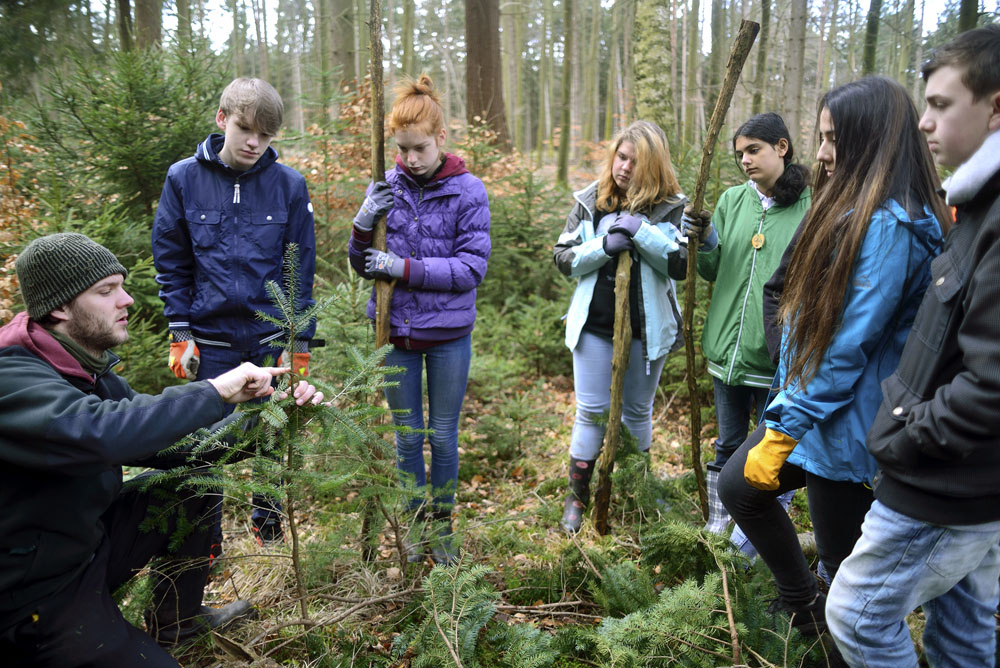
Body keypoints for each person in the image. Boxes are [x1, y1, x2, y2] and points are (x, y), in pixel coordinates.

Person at [0, 233, 324, 667]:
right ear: (59, 307)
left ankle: (179, 622)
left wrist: (273, 419)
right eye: (107, 291)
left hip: (85, 549)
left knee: (190, 484)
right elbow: (100, 432)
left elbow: (176, 448)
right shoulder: (14, 376)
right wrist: (213, 390)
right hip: (33, 594)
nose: (127, 300)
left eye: (122, 286)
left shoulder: (85, 367)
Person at [716, 76, 949, 636]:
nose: (820, 153)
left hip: (847, 426)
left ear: (874, 140)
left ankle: (830, 633)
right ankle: (802, 603)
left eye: (833, 140)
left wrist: (782, 428)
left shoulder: (895, 225)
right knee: (736, 488)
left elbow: (849, 346)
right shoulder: (854, 206)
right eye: (821, 138)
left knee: (847, 577)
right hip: (818, 410)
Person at [827, 26, 1000, 667]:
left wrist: (901, 435)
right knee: (963, 626)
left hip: (946, 480)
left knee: (857, 614)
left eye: (941, 104)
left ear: (996, 107)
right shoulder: (977, 207)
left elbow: (991, 386)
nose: (924, 122)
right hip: (964, 479)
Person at [152, 77, 317, 550]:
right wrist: (179, 332)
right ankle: (206, 549)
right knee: (205, 446)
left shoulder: (288, 186)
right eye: (246, 129)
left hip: (271, 341)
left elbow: (300, 271)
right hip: (210, 340)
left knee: (272, 439)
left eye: (266, 135)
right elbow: (172, 261)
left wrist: (299, 345)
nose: (253, 143)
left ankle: (269, 540)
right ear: (222, 119)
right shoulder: (183, 179)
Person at [348, 74, 491, 565]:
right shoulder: (386, 185)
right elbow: (361, 262)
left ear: (441, 140)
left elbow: (472, 268)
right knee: (407, 437)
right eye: (403, 149)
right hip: (396, 334)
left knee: (443, 434)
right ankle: (412, 529)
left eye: (420, 149)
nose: (410, 159)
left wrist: (402, 268)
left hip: (449, 336)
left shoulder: (468, 191)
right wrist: (363, 224)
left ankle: (443, 528)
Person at [553, 120, 687, 533]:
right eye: (621, 157)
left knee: (636, 412)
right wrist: (602, 244)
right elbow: (563, 257)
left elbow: (681, 265)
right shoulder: (592, 200)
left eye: (635, 161)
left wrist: (641, 232)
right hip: (594, 327)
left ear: (654, 166)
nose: (624, 168)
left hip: (649, 332)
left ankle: (638, 491)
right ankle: (577, 499)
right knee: (591, 412)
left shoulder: (671, 208)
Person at [683, 113, 810, 539]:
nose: (745, 161)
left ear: (782, 147)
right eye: (739, 154)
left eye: (753, 150)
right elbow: (712, 270)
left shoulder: (811, 206)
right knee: (728, 444)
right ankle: (721, 530)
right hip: (727, 353)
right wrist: (705, 242)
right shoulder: (731, 201)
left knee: (772, 454)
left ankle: (753, 541)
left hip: (776, 357)